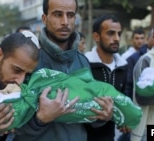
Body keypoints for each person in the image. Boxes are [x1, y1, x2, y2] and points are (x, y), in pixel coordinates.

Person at [13, 0, 114, 141]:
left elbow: (86, 113)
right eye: (58, 14)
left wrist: (102, 116)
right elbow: (10, 127)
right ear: (44, 18)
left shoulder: (82, 61)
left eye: (70, 15)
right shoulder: (29, 59)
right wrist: (40, 120)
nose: (65, 21)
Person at [84, 14, 130, 141]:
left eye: (119, 34)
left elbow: (124, 99)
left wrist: (125, 118)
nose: (116, 38)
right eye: (111, 33)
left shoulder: (123, 66)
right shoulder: (84, 65)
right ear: (96, 36)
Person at [125, 29, 154, 100]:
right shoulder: (130, 58)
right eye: (137, 38)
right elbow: (128, 84)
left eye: (142, 38)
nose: (139, 41)